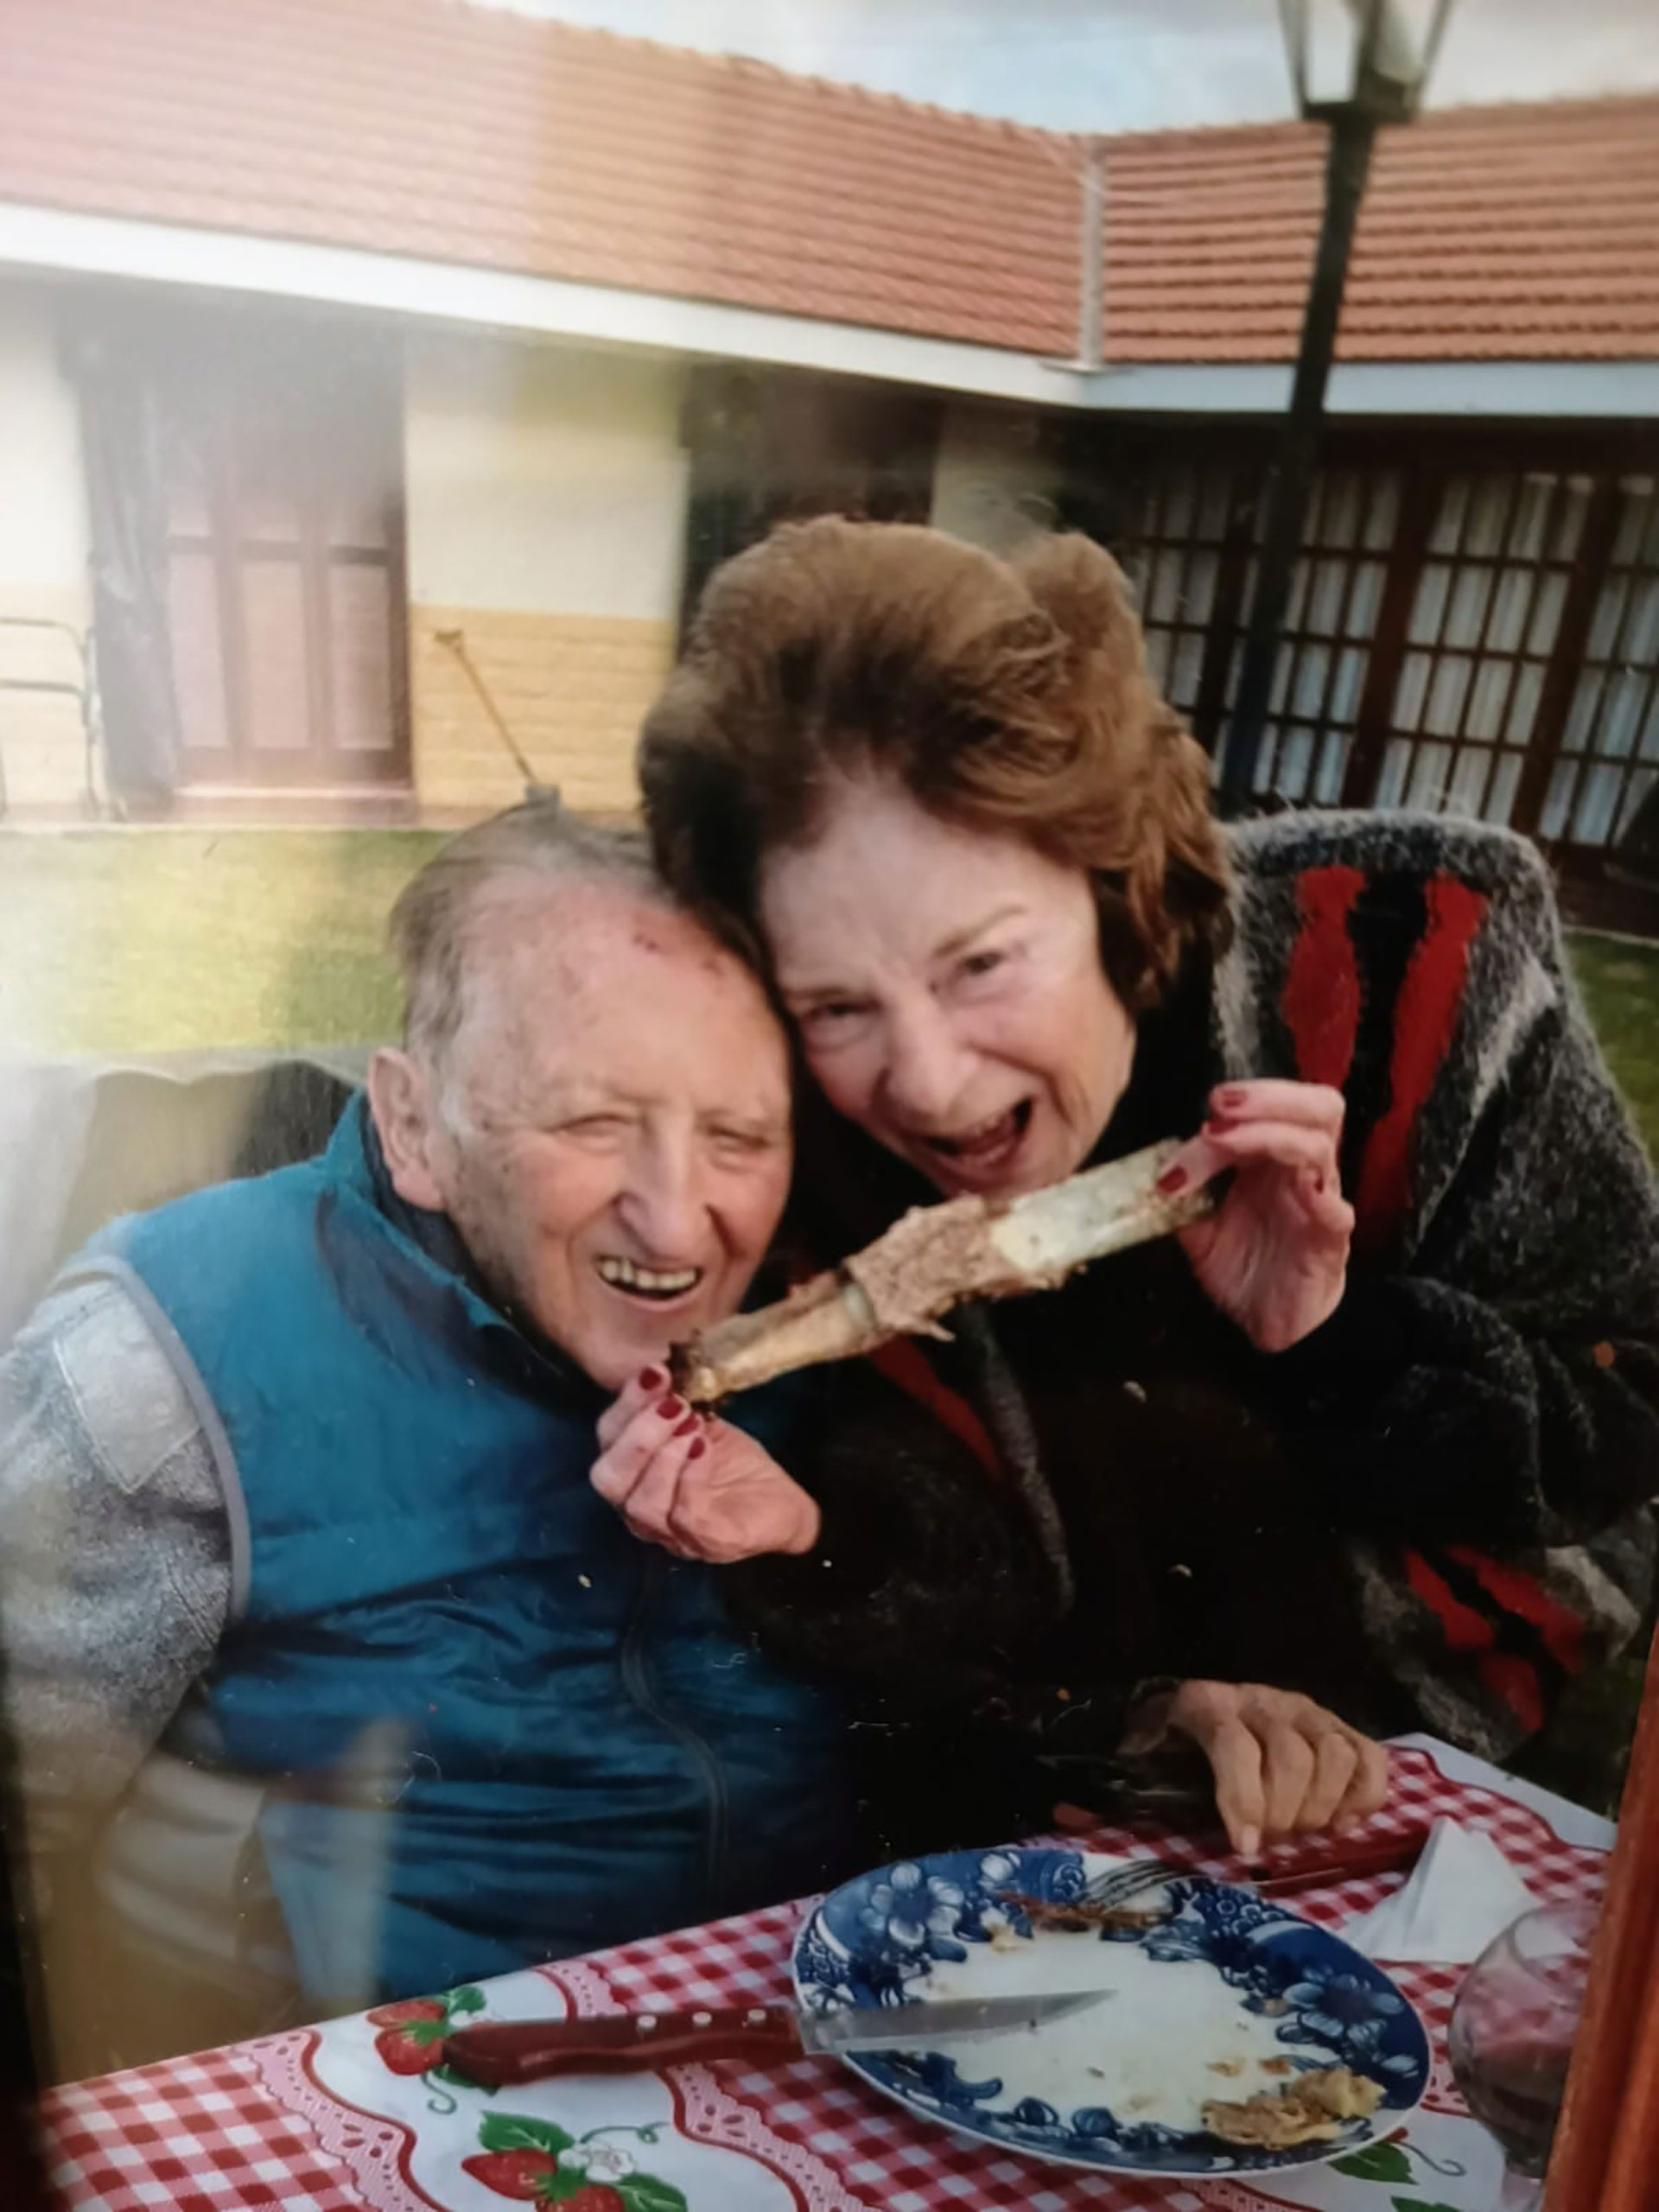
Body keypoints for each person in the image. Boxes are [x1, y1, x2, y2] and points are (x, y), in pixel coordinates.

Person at [632, 515, 1659, 1851]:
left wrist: (1337, 1342)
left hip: (1486, 1769)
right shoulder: (801, 1145)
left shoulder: (1418, 952)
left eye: (983, 963)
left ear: (1110, 875)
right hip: (1098, 1815)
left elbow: (1631, 1415)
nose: (931, 1087)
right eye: (838, 1005)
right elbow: (942, 1624)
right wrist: (1136, 1718)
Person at [0, 803, 857, 2069]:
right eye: (590, 1122)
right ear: (414, 1126)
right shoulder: (168, 1353)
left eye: (737, 1136)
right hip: (355, 2100)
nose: (681, 1227)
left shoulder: (825, 1319)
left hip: (799, 2063)